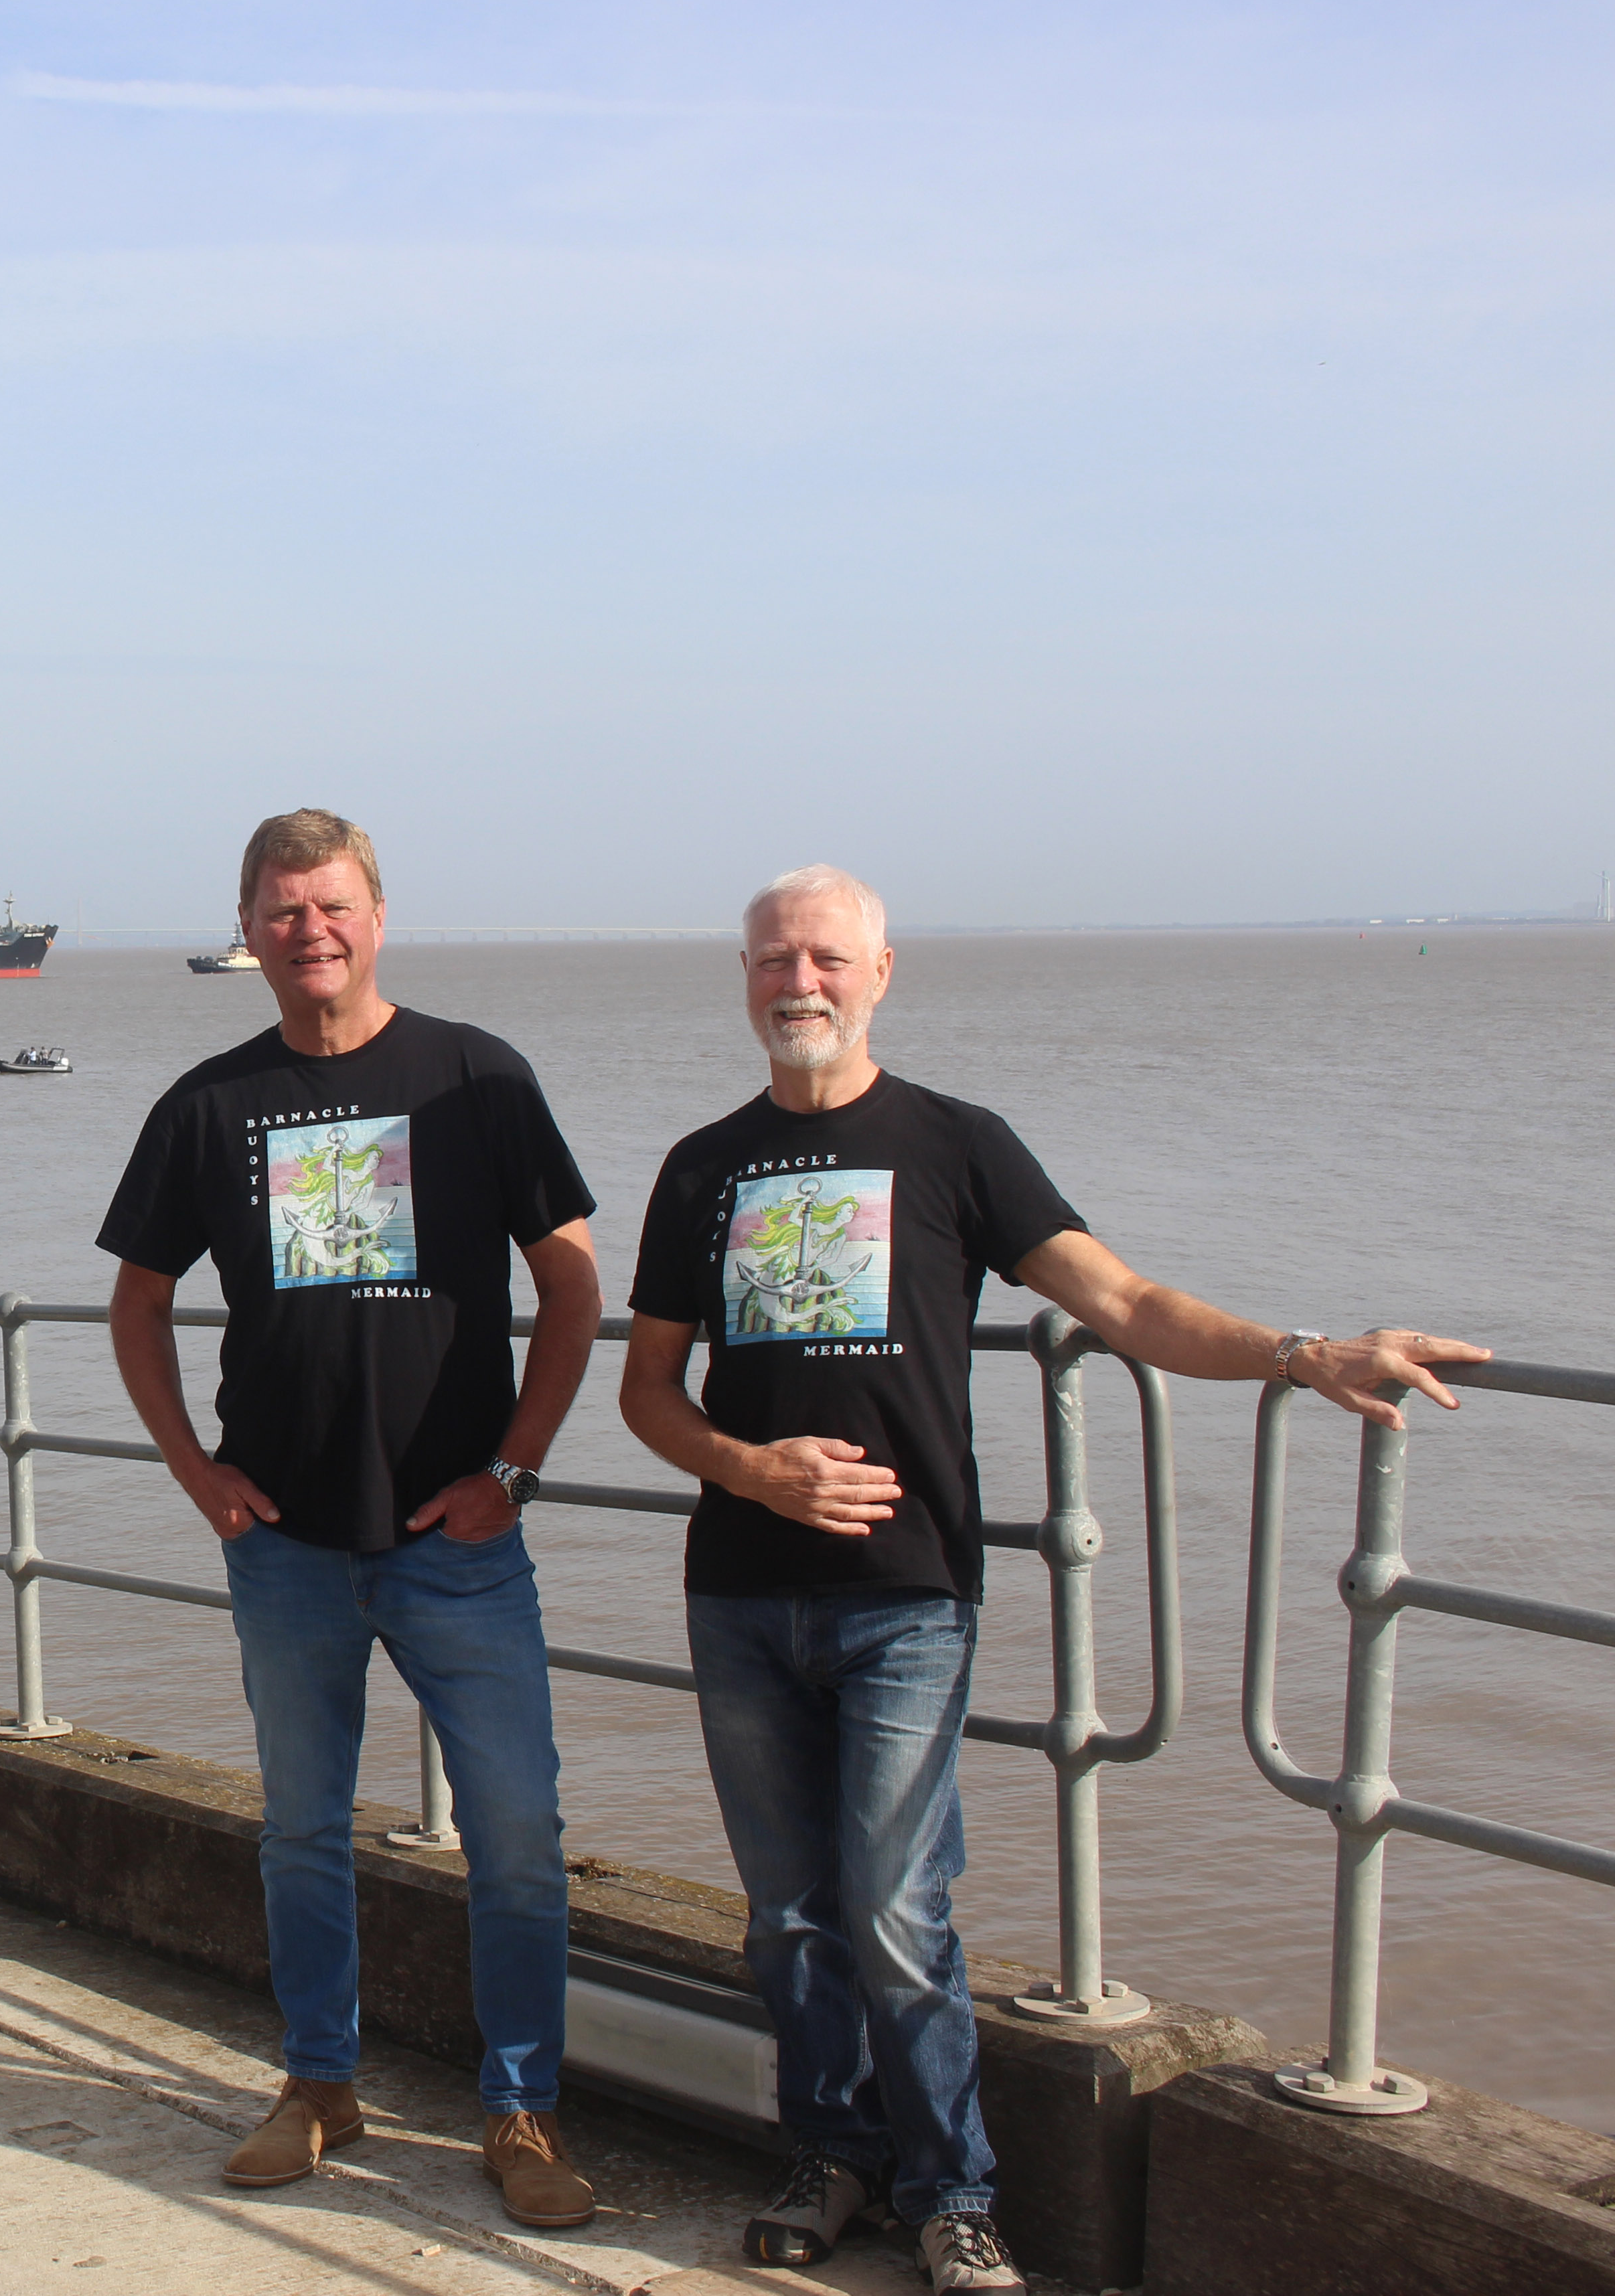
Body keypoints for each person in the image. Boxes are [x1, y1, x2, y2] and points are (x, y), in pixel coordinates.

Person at [619, 864, 1492, 2293]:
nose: (802, 983)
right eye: (775, 960)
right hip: (741, 1593)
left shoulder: (959, 1147)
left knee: (898, 1912)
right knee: (786, 1915)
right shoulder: (703, 1168)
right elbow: (650, 1395)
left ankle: (954, 2189)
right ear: (746, 978)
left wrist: (1308, 1353)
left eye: (829, 957)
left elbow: (1128, 1304)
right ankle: (834, 2155)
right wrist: (755, 1468)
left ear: (882, 971)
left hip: (908, 1593)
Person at [99, 810, 609, 2228]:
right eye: (279, 909)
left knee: (515, 1834)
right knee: (304, 1833)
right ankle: (318, 2084)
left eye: (330, 905)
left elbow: (573, 1288)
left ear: (375, 916)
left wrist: (516, 1469)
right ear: (250, 929)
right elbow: (136, 1303)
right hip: (288, 1547)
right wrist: (199, 1475)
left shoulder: (477, 1080)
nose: (307, 930)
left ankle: (522, 2114)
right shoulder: (210, 1104)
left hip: (461, 1544)